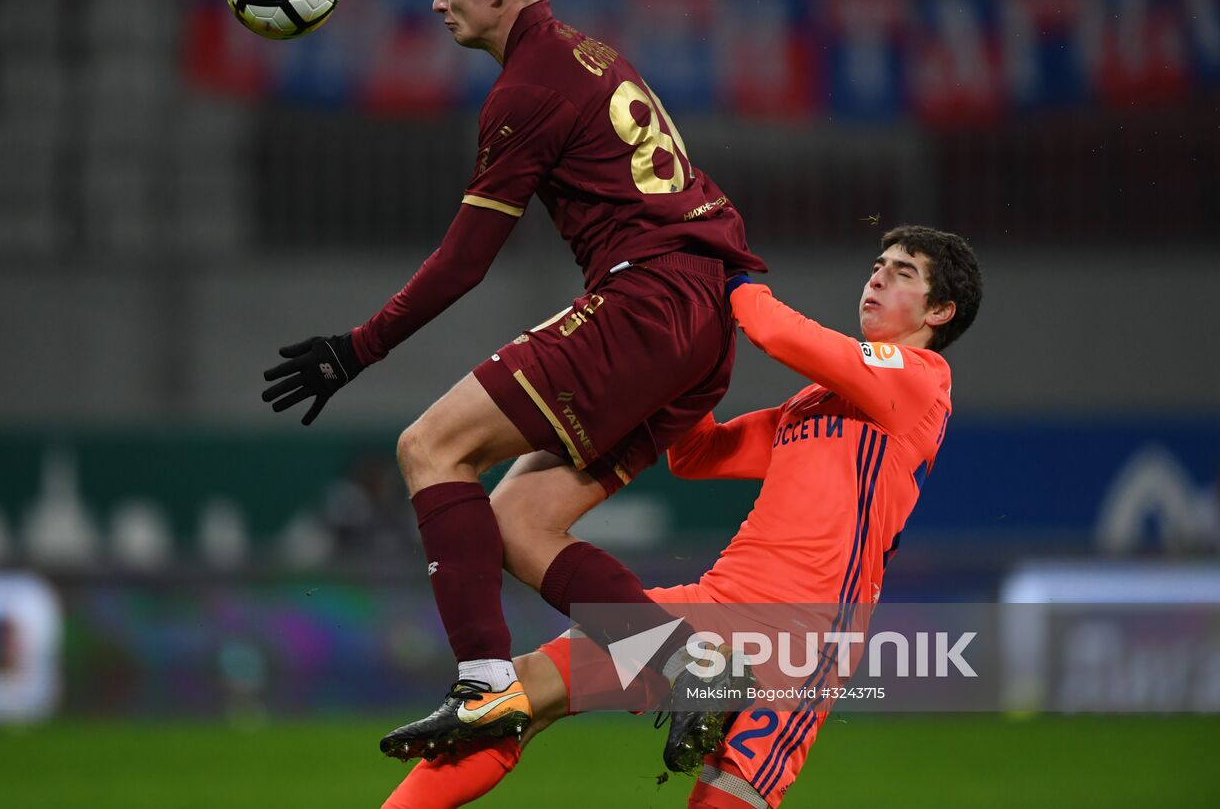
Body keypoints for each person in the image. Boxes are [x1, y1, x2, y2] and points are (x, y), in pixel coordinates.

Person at [262, 0, 766, 756]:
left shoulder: (524, 90)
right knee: (517, 523)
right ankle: (691, 667)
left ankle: (484, 686)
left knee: (429, 447)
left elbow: (465, 260)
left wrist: (356, 351)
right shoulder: (587, 54)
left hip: (646, 302)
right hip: (700, 322)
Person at [381, 225, 984, 808]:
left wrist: (724, 275)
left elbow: (780, 335)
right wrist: (683, 363)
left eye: (902, 274)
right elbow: (697, 455)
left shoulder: (924, 383)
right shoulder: (817, 402)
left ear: (940, 313)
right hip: (712, 609)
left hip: (803, 642)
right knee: (518, 697)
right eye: (877, 268)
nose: (876, 281)